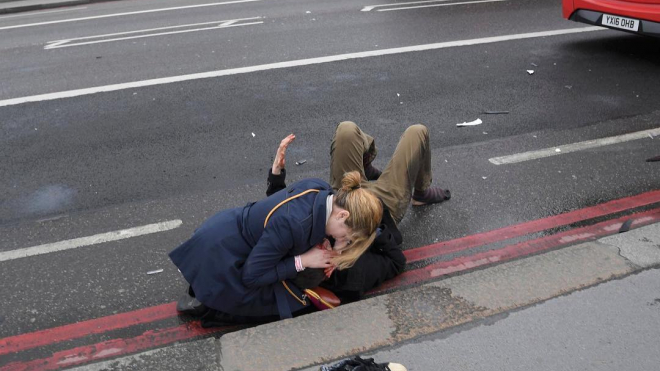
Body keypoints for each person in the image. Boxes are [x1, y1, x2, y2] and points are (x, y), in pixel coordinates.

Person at [265, 121, 450, 301]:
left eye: (314, 248)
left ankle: (364, 168)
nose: (321, 242)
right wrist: (373, 229)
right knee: (417, 132)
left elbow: (280, 213)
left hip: (346, 194)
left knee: (346, 130)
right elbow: (396, 262)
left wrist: (276, 174)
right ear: (329, 269)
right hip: (382, 206)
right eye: (323, 249)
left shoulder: (302, 248)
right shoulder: (354, 276)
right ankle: (421, 191)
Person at [169, 170, 383, 324]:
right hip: (223, 257)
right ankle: (206, 303)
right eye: (346, 236)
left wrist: (329, 243)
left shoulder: (322, 189)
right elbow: (251, 276)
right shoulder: (292, 225)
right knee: (288, 305)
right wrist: (303, 261)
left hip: (228, 233)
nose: (343, 242)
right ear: (343, 215)